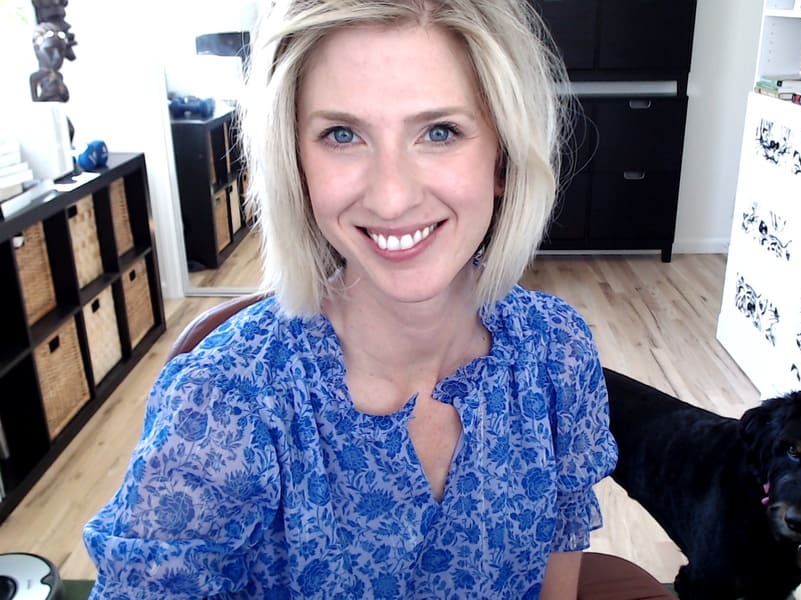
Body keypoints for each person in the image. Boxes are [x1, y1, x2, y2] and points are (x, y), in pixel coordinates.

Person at [83, 0, 617, 597]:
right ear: (296, 163)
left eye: (439, 132)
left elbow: (558, 564)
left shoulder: (557, 353)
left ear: (503, 157)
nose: (391, 198)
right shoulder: (220, 406)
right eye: (342, 134)